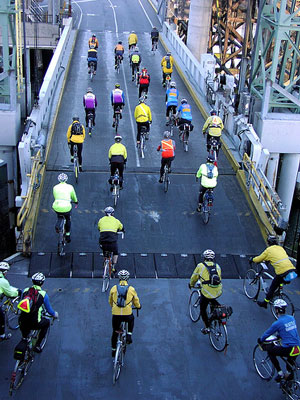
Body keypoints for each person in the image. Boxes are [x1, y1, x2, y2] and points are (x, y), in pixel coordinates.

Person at [258, 299, 300, 382]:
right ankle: (288, 378)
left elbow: (267, 334)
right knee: (290, 363)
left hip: (288, 348)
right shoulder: (292, 318)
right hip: (297, 347)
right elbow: (289, 331)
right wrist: (279, 336)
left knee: (271, 352)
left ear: (276, 310)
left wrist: (260, 340)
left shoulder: (277, 323)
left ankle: (280, 374)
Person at [251, 235, 297, 308]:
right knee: (279, 282)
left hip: (282, 272)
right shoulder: (281, 248)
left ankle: (265, 303)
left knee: (272, 288)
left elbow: (259, 259)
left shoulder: (269, 250)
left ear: (269, 243)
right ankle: (278, 292)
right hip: (292, 271)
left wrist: (252, 260)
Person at [18, 273, 58, 353]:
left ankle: (24, 339)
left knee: (25, 336)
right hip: (35, 322)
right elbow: (49, 311)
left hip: (21, 321)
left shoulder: (25, 291)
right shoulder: (43, 294)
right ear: (42, 283)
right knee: (46, 323)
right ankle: (37, 345)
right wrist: (55, 315)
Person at [189, 249, 222, 334]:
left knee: (203, 309)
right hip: (218, 290)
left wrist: (191, 284)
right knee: (212, 298)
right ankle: (217, 310)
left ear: (204, 257)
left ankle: (207, 327)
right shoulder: (217, 266)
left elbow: (194, 277)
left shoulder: (200, 266)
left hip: (206, 290)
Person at [109, 269, 141, 358]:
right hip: (127, 314)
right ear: (127, 279)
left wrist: (113, 307)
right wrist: (138, 306)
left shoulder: (114, 288)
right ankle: (129, 335)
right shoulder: (131, 289)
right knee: (131, 319)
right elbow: (136, 300)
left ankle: (113, 350)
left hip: (116, 314)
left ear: (119, 278)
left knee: (115, 332)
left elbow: (110, 301)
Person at [52, 173, 78, 242]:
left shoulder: (55, 187)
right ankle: (67, 235)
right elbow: (73, 196)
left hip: (56, 206)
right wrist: (76, 201)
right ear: (66, 179)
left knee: (59, 215)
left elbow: (55, 196)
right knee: (68, 219)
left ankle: (58, 225)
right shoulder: (70, 187)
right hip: (66, 207)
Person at [98, 207, 124, 274]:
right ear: (113, 213)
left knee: (104, 250)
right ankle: (113, 267)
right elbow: (121, 227)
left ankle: (105, 261)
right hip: (112, 241)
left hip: (103, 240)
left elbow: (99, 228)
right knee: (115, 252)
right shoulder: (116, 220)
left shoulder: (101, 220)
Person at [0, 262, 21, 340]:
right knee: (1, 317)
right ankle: (2, 335)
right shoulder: (2, 281)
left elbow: (7, 288)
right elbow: (10, 293)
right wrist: (18, 292)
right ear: (4, 272)